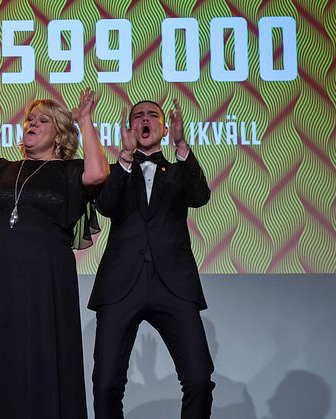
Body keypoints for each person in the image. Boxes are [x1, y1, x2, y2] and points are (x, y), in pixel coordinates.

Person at [0, 88, 109, 419]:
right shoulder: (2, 169)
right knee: (0, 349)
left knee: (44, 350)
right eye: (29, 119)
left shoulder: (70, 171)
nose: (31, 124)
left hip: (46, 274)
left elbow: (98, 174)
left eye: (42, 120)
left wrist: (85, 122)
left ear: (59, 134)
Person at [90, 99, 214, 419]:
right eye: (138, 117)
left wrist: (182, 146)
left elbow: (200, 196)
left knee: (199, 379)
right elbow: (104, 206)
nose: (145, 121)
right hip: (120, 285)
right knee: (105, 385)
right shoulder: (118, 169)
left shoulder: (178, 171)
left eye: (152, 116)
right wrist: (125, 157)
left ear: (162, 126)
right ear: (129, 127)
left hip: (173, 284)